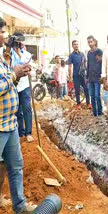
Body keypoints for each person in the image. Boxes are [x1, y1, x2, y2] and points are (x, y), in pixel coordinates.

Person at [0, 17, 35, 213]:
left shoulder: (2, 57)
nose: (5, 36)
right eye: (2, 32)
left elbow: (8, 81)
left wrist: (18, 73)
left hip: (9, 123)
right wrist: (13, 74)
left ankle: (19, 206)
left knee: (15, 166)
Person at [9, 32, 34, 143]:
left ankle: (28, 133)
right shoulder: (8, 54)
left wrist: (28, 69)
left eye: (22, 40)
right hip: (14, 86)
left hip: (24, 86)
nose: (20, 42)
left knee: (27, 108)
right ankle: (21, 132)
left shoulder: (27, 54)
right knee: (18, 111)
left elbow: (30, 67)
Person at [68, 40, 90, 110]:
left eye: (77, 44)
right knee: (77, 90)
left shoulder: (82, 54)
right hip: (75, 76)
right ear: (72, 46)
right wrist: (70, 77)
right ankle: (78, 104)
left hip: (83, 75)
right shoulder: (71, 55)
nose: (76, 45)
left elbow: (86, 65)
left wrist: (88, 74)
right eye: (74, 44)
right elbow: (70, 67)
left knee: (86, 89)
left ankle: (88, 103)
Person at [86, 35, 103, 117]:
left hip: (97, 77)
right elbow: (88, 65)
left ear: (94, 42)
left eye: (91, 41)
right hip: (90, 78)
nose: (90, 43)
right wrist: (87, 77)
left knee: (97, 95)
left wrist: (102, 76)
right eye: (88, 42)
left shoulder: (99, 51)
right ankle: (95, 113)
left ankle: (100, 112)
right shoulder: (89, 53)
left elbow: (103, 64)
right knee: (92, 96)